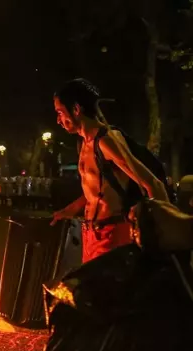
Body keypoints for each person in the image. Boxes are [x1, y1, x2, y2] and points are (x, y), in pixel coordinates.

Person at [51, 78, 169, 263]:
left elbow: (153, 183)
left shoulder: (106, 141)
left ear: (76, 109)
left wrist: (163, 236)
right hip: (91, 235)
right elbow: (99, 191)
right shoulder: (84, 142)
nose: (58, 120)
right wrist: (70, 210)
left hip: (111, 235)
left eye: (60, 112)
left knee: (101, 291)